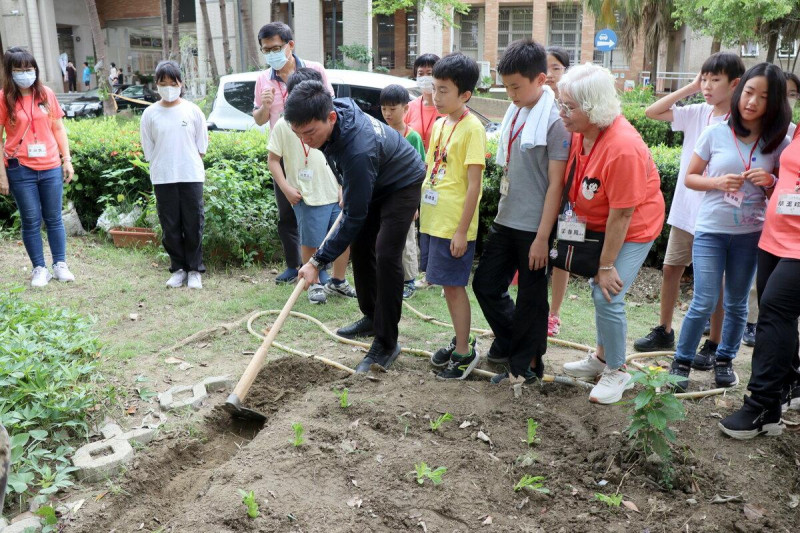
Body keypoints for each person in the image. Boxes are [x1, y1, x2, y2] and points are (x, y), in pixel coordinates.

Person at [286, 81, 426, 373]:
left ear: (331, 118)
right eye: (298, 134)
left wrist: (316, 261)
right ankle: (371, 317)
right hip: (372, 177)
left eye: (310, 132)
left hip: (402, 182)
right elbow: (344, 167)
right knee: (362, 248)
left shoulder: (358, 149)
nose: (305, 141)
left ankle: (387, 343)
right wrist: (345, 184)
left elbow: (353, 216)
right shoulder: (334, 113)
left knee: (386, 254)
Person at [668, 63, 791, 392]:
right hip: (710, 232)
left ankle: (725, 359)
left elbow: (787, 187)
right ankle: (681, 360)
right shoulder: (716, 131)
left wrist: (771, 180)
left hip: (750, 237)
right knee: (704, 300)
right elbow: (691, 178)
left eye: (763, 97)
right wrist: (716, 182)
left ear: (774, 102)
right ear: (740, 91)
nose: (752, 102)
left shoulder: (780, 140)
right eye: (749, 92)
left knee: (737, 302)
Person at [558, 63, 665, 404]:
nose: (562, 112)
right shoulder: (582, 132)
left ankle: (618, 371)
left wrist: (606, 266)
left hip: (633, 227)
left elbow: (623, 214)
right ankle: (602, 358)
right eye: (561, 103)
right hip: (605, 223)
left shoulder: (622, 147)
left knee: (607, 292)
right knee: (599, 290)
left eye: (569, 107)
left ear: (592, 108)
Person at [636, 53, 745, 366]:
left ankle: (713, 342)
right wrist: (690, 88)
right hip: (686, 209)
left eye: (715, 80)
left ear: (734, 84)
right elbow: (652, 111)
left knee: (715, 283)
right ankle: (664, 329)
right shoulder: (698, 112)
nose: (707, 86)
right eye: (705, 79)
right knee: (671, 268)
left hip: (718, 214)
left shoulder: (739, 122)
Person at [472, 39, 570, 383]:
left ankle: (525, 366)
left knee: (531, 297)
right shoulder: (517, 113)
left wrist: (543, 237)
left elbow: (556, 186)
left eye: (516, 86)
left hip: (534, 227)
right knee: (485, 284)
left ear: (540, 80)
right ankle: (517, 342)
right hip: (506, 217)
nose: (510, 93)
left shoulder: (555, 122)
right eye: (507, 85)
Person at [718, 131, 800, 440]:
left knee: (774, 314)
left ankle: (761, 406)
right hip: (776, 236)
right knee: (777, 316)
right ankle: (783, 395)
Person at [417, 53, 485, 380]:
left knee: (455, 287)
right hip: (433, 221)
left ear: (465, 95)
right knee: (446, 285)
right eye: (434, 88)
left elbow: (474, 186)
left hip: (453, 226)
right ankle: (462, 338)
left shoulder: (473, 128)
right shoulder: (441, 123)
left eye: (444, 90)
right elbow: (432, 169)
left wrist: (461, 231)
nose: (436, 96)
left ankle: (464, 352)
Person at [253, 22, 334, 285]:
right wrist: (265, 107)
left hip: (318, 152)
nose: (272, 54)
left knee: (322, 212)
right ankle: (293, 265)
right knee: (288, 214)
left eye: (276, 48)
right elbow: (259, 120)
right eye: (266, 50)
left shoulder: (315, 70)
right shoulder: (263, 79)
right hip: (286, 154)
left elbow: (329, 107)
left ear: (290, 45)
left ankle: (320, 268)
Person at [267, 68, 356, 304]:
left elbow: (343, 160)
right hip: (306, 195)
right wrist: (286, 188)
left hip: (333, 192)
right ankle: (313, 283)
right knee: (310, 241)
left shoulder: (328, 122)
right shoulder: (285, 125)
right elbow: (273, 160)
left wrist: (342, 185)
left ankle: (338, 280)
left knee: (342, 238)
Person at [0, 47, 76, 287]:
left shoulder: (46, 94)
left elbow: (58, 128)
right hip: (20, 168)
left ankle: (60, 264)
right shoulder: (4, 98)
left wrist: (67, 160)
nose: (25, 73)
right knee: (31, 219)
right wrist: (2, 176)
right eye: (19, 69)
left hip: (51, 165)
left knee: (54, 217)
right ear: (10, 72)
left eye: (29, 68)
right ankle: (39, 268)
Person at [140, 60, 209, 289]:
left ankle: (195, 270)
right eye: (163, 82)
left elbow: (201, 147)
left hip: (190, 175)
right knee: (170, 225)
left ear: (181, 83)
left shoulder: (193, 111)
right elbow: (148, 149)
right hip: (163, 176)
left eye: (173, 82)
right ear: (156, 84)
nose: (168, 86)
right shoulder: (150, 114)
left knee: (193, 223)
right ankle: (178, 268)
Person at [380, 84, 424, 299]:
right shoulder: (380, 132)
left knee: (407, 240)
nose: (388, 114)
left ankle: (409, 280)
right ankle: (391, 277)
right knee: (386, 240)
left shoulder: (413, 136)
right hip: (384, 199)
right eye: (384, 109)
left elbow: (420, 171)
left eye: (392, 109)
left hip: (406, 200)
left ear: (405, 109)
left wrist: (415, 204)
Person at [544, 45, 571, 337]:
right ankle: (536, 309)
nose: (551, 75)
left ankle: (554, 313)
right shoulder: (535, 101)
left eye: (557, 68)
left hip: (570, 195)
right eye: (546, 68)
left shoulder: (571, 103)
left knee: (562, 254)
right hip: (543, 191)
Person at [404, 53, 446, 151]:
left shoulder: (448, 108)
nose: (425, 77)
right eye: (421, 73)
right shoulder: (409, 107)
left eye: (429, 73)